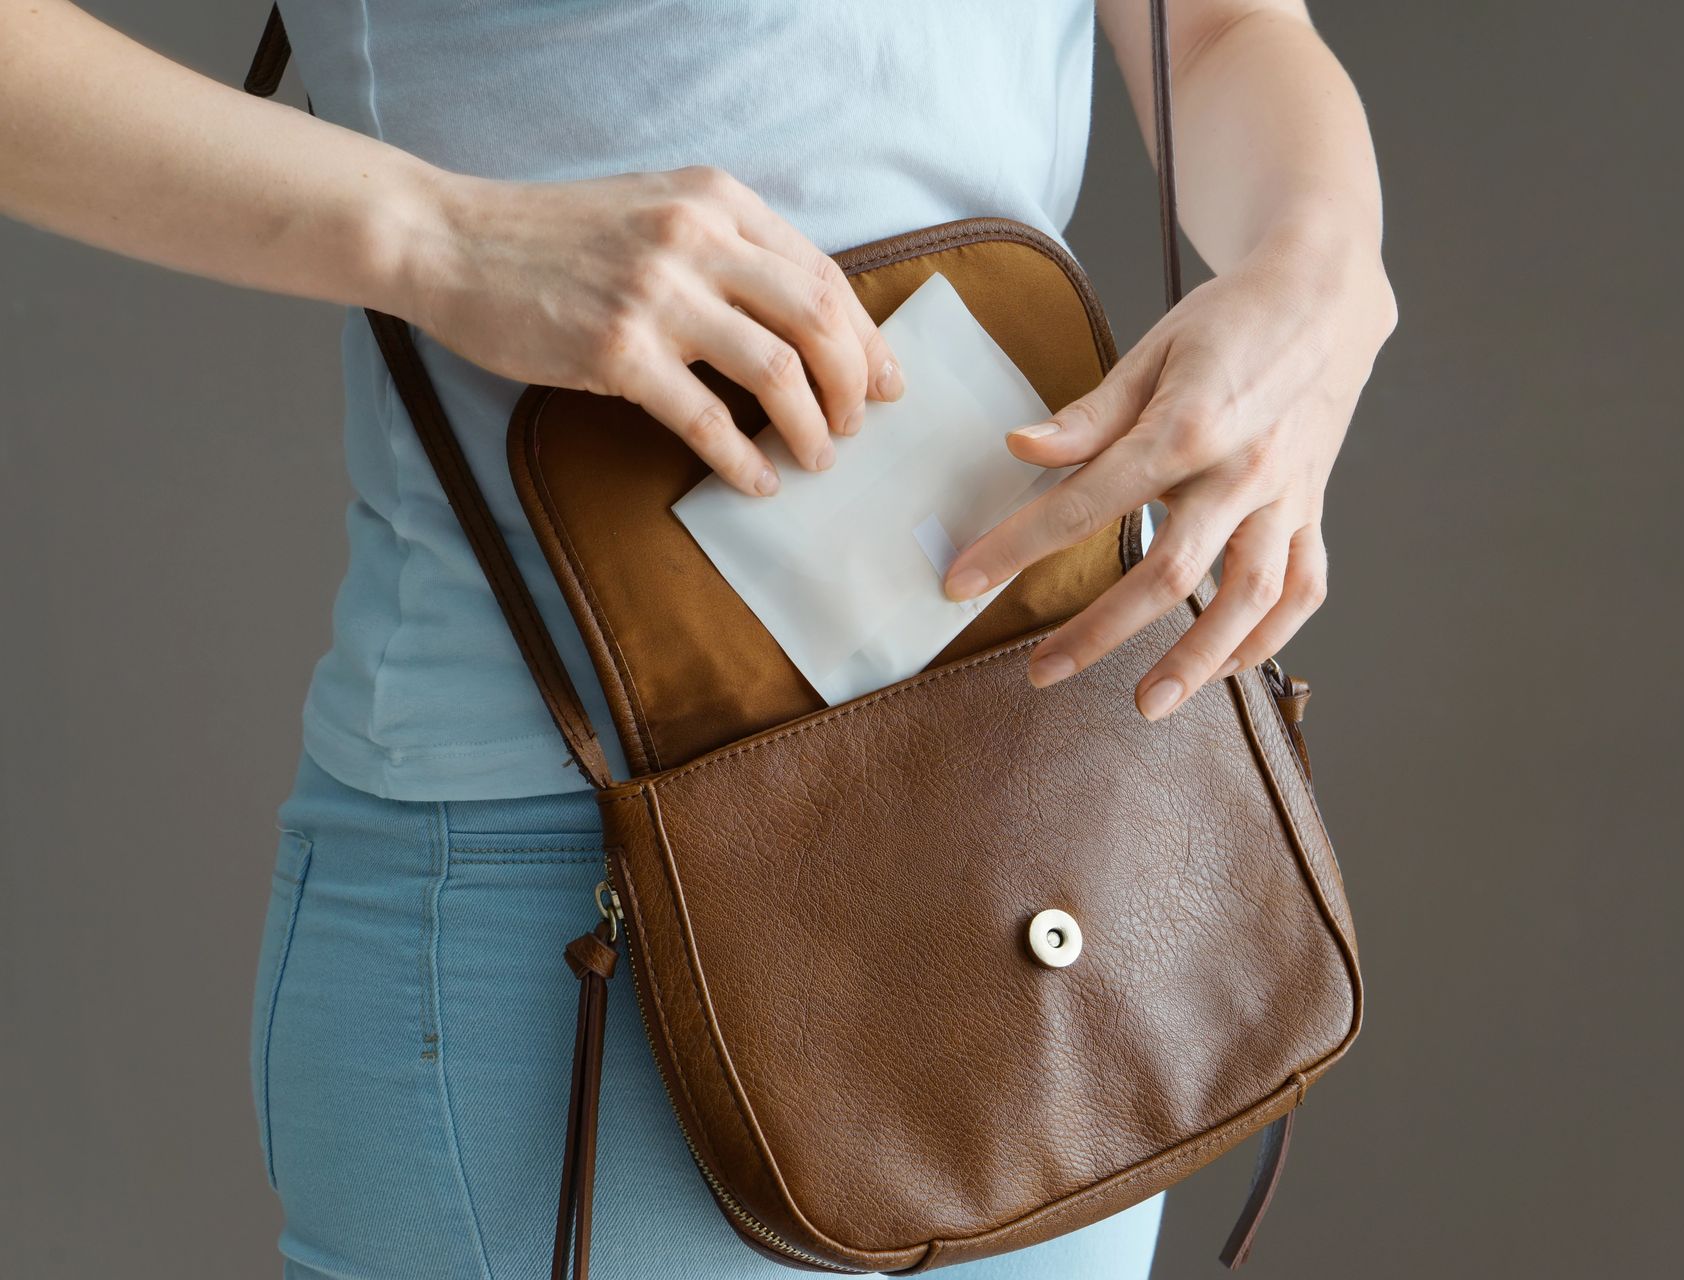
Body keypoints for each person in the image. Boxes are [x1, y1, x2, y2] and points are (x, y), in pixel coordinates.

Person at [1, 1, 1393, 1275]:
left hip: (1065, 811)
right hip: (588, 923)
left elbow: (1220, 30)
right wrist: (436, 236)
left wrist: (1323, 267)